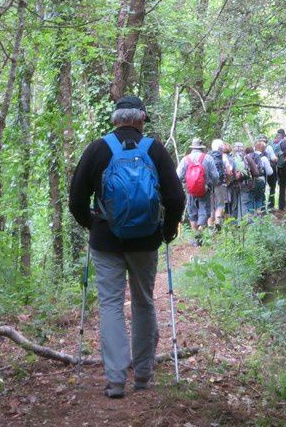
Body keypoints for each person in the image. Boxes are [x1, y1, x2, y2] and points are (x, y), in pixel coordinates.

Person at [69, 96, 185, 399]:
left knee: (110, 304)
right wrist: (168, 229)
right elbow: (175, 197)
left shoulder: (97, 149)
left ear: (115, 119)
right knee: (144, 302)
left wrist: (93, 224)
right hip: (146, 240)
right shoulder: (155, 150)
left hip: (106, 241)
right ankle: (144, 375)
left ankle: (116, 379)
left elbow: (76, 200)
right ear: (142, 119)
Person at [177, 138, 219, 245]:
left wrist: (186, 182)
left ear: (192, 147)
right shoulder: (208, 158)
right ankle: (199, 235)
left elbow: (178, 176)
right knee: (204, 211)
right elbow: (215, 176)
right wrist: (210, 184)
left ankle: (196, 237)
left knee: (192, 213)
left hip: (190, 190)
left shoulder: (186, 159)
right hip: (205, 189)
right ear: (201, 148)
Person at [208, 139, 228, 231]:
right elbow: (229, 171)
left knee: (211, 206)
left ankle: (210, 228)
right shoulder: (223, 157)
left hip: (209, 185)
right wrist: (227, 181)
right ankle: (218, 226)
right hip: (219, 184)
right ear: (221, 147)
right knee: (220, 205)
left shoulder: (207, 156)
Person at [250, 140, 274, 214]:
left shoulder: (248, 156)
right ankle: (261, 215)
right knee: (260, 198)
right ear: (263, 148)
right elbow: (270, 172)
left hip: (250, 181)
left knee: (251, 198)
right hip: (261, 180)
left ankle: (251, 215)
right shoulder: (264, 158)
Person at [274, 129, 286, 210]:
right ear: (284, 135)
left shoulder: (274, 142)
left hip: (275, 166)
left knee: (278, 185)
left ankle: (275, 205)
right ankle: (282, 205)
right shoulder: (285, 143)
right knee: (283, 185)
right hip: (283, 166)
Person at [258, 135, 278, 210]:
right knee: (272, 187)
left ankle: (262, 207)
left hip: (260, 170)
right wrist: (276, 159)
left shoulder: (255, 148)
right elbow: (273, 158)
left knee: (262, 188)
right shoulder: (269, 147)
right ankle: (271, 205)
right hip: (269, 168)